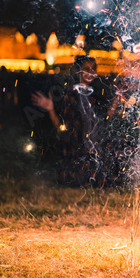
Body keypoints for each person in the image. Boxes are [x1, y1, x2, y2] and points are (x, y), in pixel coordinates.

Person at [32, 55, 118, 187]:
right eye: (86, 68)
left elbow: (105, 118)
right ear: (79, 71)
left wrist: (117, 97)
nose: (90, 72)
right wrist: (51, 109)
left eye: (93, 69)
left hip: (96, 150)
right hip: (79, 154)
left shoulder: (94, 96)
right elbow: (62, 127)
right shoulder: (71, 96)